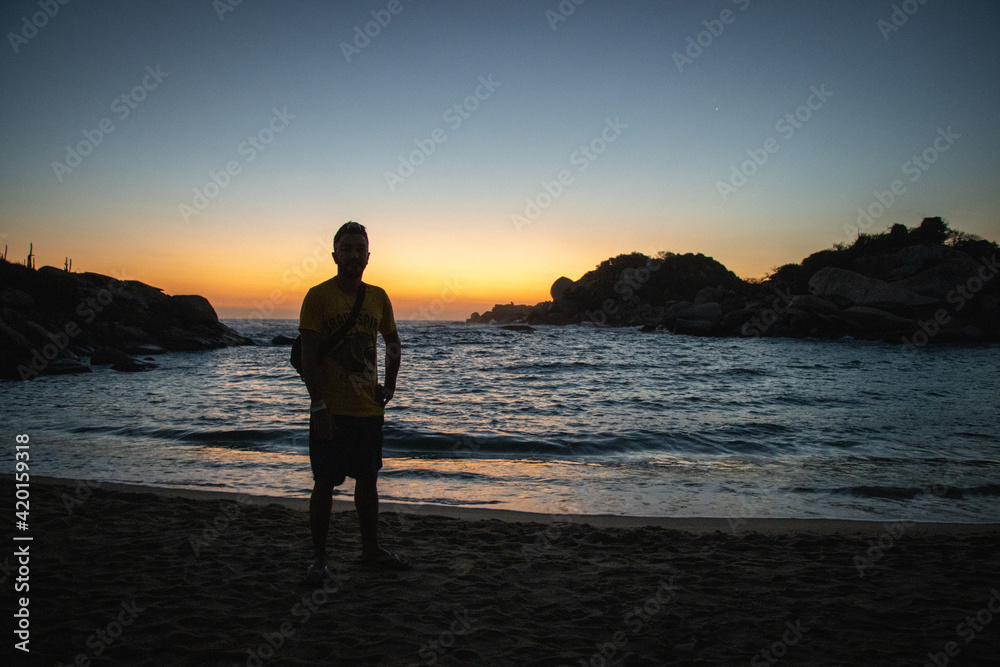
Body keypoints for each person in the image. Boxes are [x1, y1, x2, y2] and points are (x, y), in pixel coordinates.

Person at [298, 221, 406, 581]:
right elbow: (310, 355)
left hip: (367, 409)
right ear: (334, 255)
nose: (354, 254)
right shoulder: (318, 296)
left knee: (368, 480)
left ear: (369, 256)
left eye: (360, 248)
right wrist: (318, 404)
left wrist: (389, 387)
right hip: (330, 409)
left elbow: (392, 342)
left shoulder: (378, 296)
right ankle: (319, 559)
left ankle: (370, 549)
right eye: (347, 248)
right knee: (324, 483)